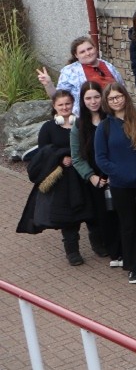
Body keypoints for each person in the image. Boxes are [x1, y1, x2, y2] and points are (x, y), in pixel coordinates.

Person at [94, 82, 136, 283]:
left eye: (119, 96)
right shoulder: (104, 127)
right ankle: (133, 266)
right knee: (128, 224)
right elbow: (101, 157)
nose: (116, 101)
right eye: (111, 98)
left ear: (125, 97)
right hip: (120, 185)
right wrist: (119, 173)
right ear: (107, 102)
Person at [20, 91, 96, 266]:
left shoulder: (82, 124)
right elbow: (43, 153)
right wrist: (60, 158)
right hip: (62, 178)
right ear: (54, 106)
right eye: (61, 105)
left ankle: (98, 244)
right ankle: (72, 251)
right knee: (68, 216)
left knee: (92, 212)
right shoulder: (48, 128)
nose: (65, 107)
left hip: (82, 175)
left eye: (68, 104)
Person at [69, 81, 123, 265]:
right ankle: (108, 245)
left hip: (116, 174)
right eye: (88, 98)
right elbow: (76, 157)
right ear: (82, 101)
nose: (93, 102)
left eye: (96, 97)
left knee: (122, 212)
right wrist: (90, 176)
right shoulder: (79, 125)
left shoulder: (112, 118)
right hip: (95, 178)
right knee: (103, 214)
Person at [46, 36, 123, 99]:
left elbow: (122, 89)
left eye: (90, 49)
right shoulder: (69, 71)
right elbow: (60, 98)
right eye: (82, 52)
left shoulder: (108, 66)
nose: (88, 53)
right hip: (85, 115)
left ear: (95, 48)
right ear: (76, 55)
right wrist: (48, 84)